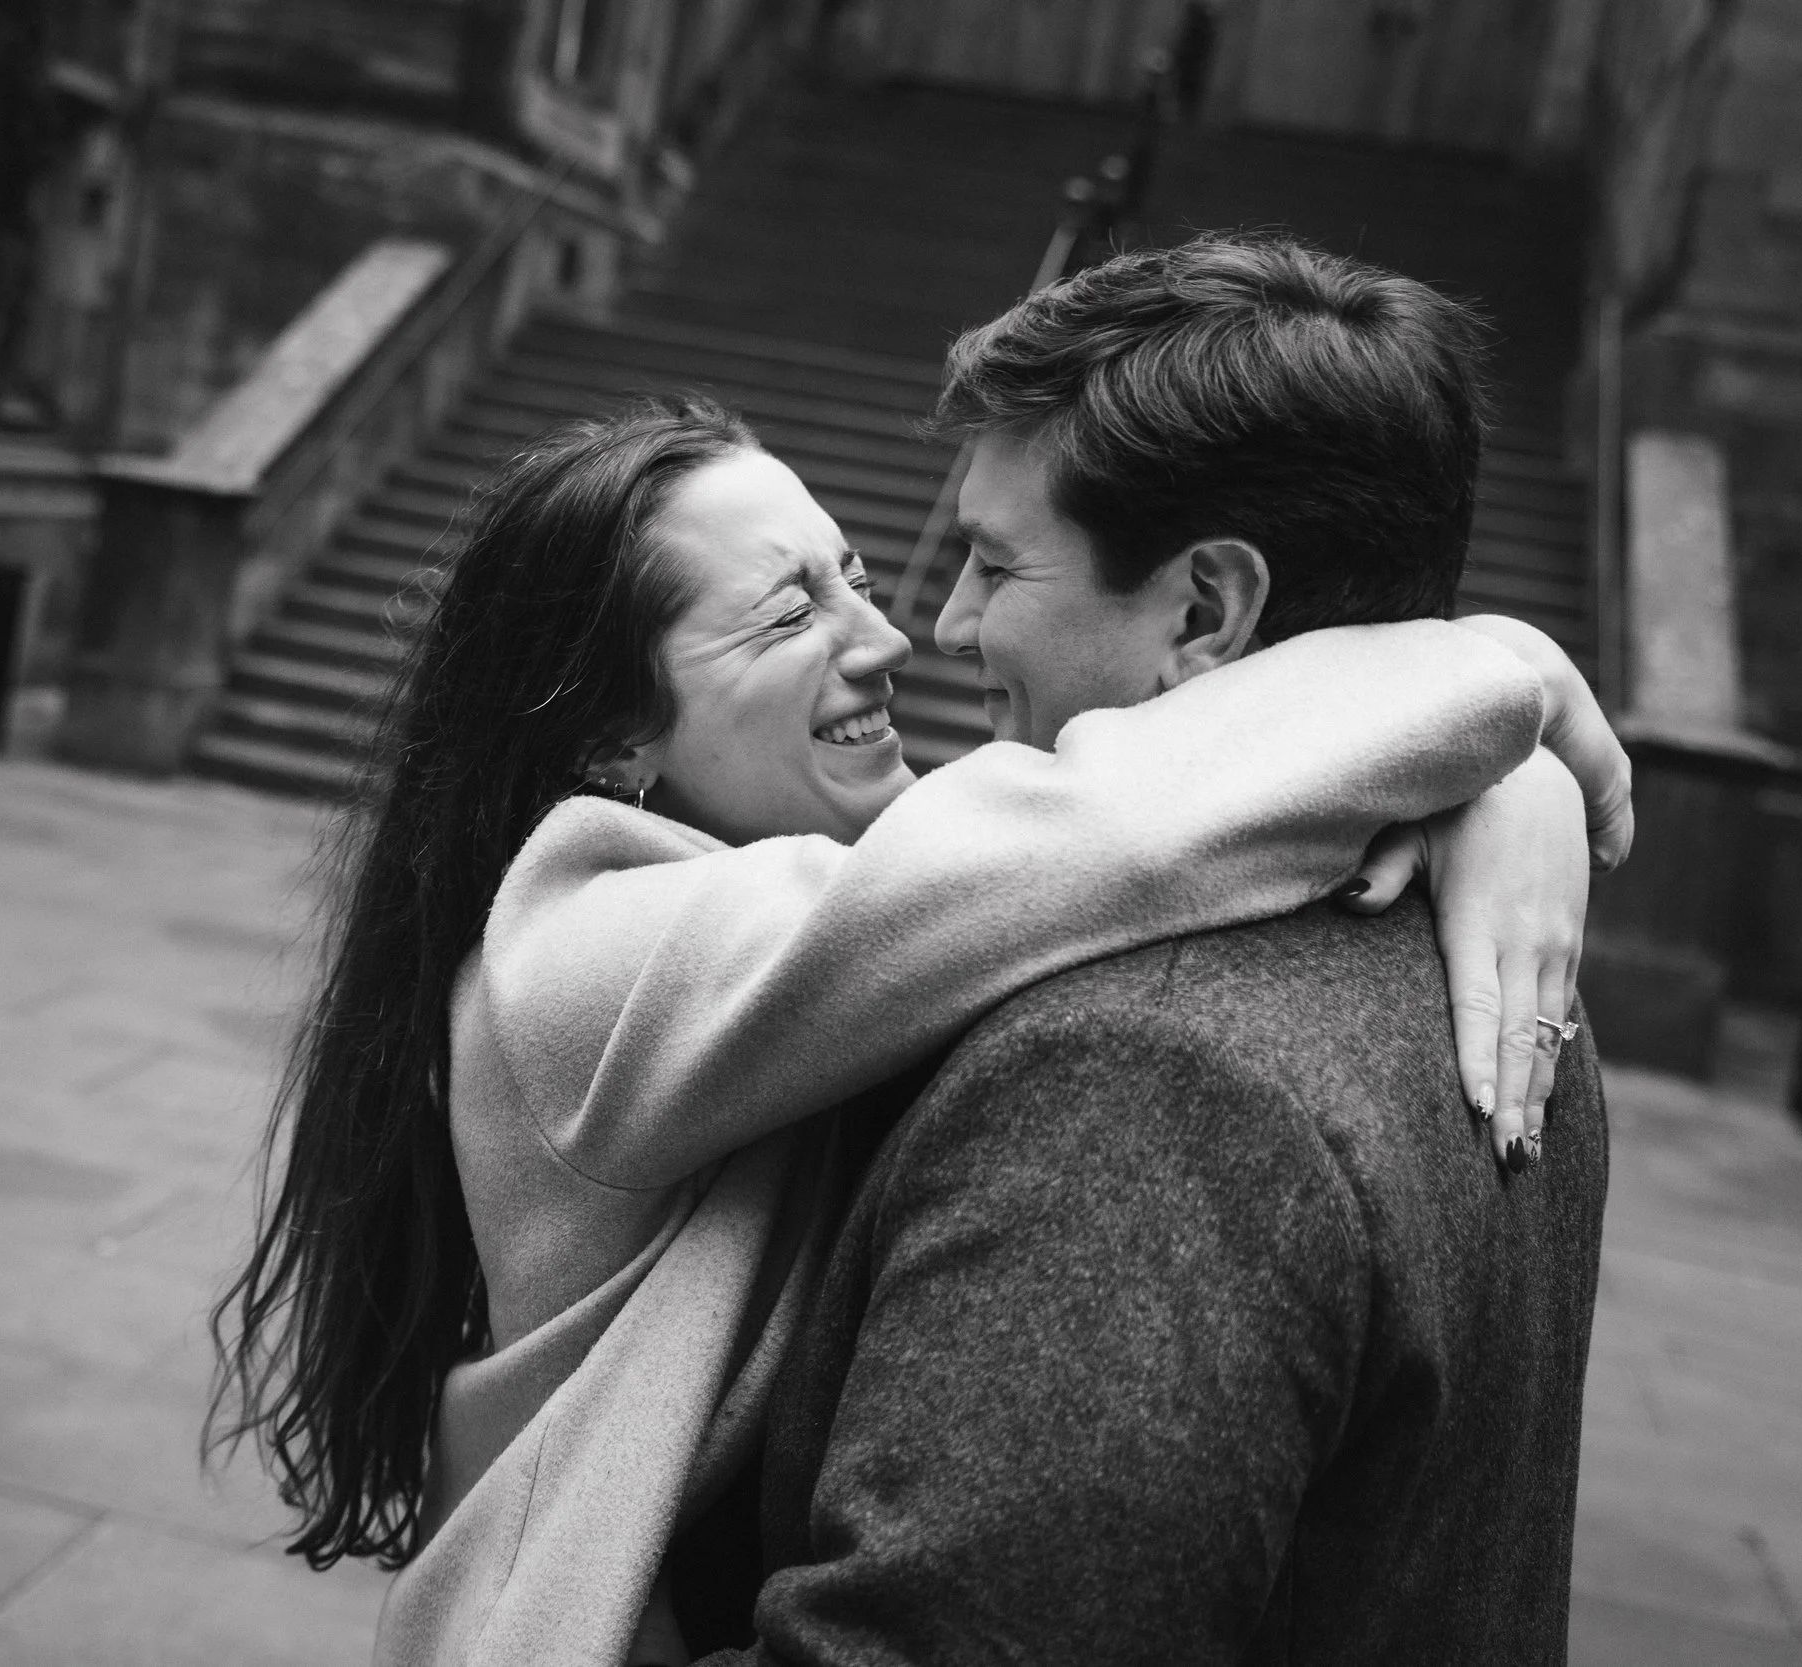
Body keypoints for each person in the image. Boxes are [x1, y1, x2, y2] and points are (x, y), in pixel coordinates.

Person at [207, 397, 1623, 1658]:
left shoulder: (841, 911)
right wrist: (1502, 687)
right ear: (606, 743)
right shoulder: (578, 957)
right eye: (786, 615)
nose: (890, 636)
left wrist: (1490, 769)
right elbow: (1110, 828)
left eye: (859, 579)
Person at [677, 234, 1617, 1664]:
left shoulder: (1146, 1077)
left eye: (998, 565)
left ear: (1205, 612)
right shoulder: (1503, 970)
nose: (946, 622)